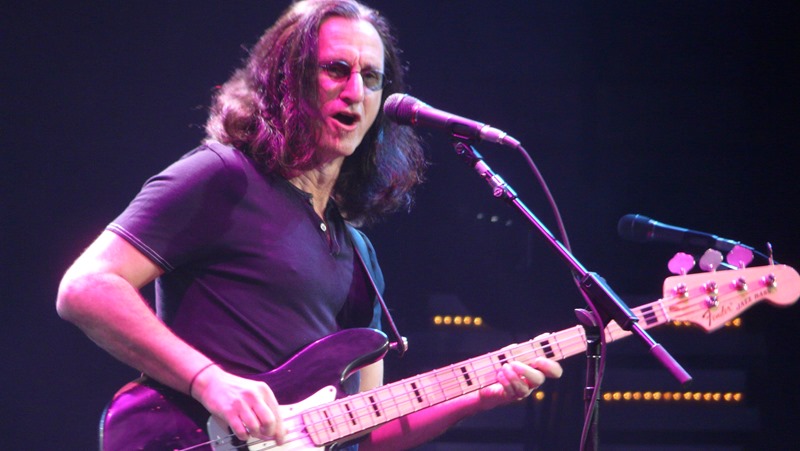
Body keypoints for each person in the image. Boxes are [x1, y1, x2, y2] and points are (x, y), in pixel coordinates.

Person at [56, 0, 562, 449]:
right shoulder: (223, 176)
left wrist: (479, 397)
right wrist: (209, 381)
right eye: (336, 69)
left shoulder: (359, 253)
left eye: (372, 78)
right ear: (288, 79)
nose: (355, 91)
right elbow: (85, 287)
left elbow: (367, 432)